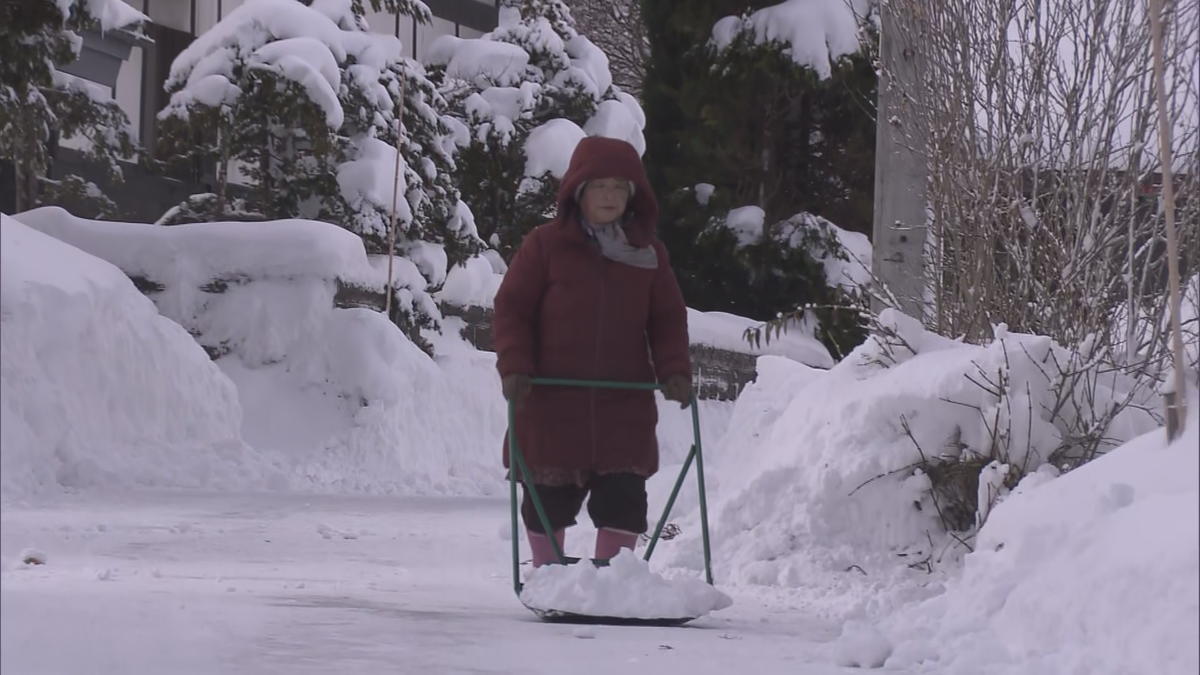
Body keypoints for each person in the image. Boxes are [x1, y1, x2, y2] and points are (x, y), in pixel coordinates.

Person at [492, 135, 693, 567]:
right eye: (600, 186)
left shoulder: (649, 256)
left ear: (634, 196)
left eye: (620, 188)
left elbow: (668, 319)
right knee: (547, 498)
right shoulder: (544, 247)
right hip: (549, 402)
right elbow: (512, 308)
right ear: (578, 192)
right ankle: (549, 575)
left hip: (623, 406)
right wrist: (515, 365)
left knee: (624, 499)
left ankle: (613, 580)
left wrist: (674, 368)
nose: (609, 196)